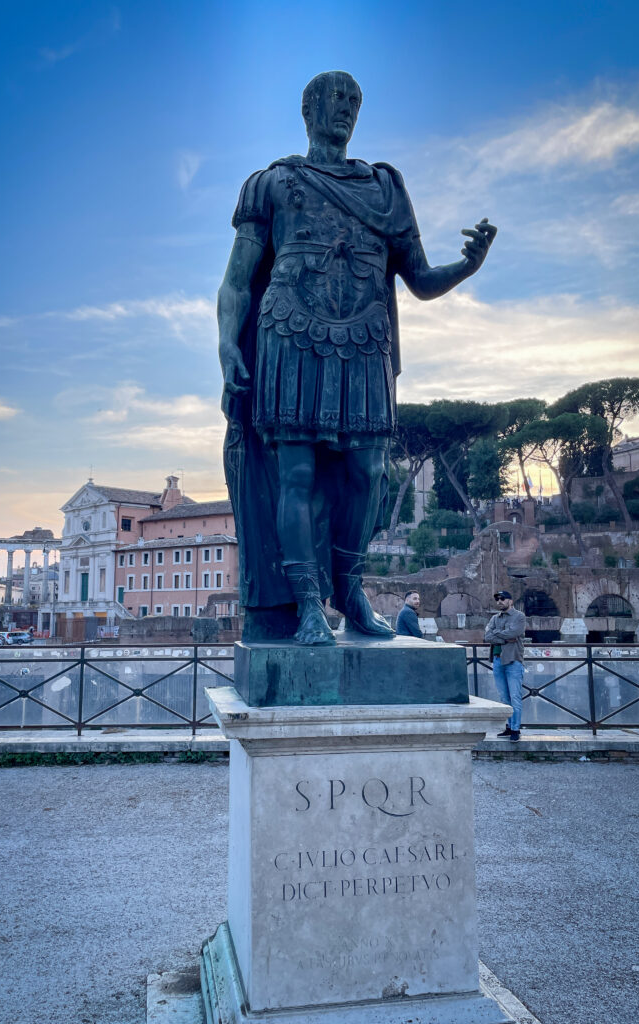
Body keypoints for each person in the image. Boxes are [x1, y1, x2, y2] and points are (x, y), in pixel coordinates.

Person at [219, 71, 496, 646]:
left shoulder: (385, 188)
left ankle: (348, 591)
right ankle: (306, 605)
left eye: (354, 101)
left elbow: (419, 278)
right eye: (334, 100)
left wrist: (466, 266)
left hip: (366, 340)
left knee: (368, 473)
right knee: (295, 473)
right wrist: (227, 343)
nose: (344, 109)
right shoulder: (272, 183)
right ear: (308, 110)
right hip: (290, 334)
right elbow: (237, 280)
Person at [484, 591, 526, 741]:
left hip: (513, 660)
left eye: (503, 599)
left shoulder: (519, 617)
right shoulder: (495, 618)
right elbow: (487, 636)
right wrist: (505, 637)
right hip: (497, 661)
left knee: (515, 696)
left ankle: (516, 729)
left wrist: (498, 635)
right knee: (503, 697)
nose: (499, 601)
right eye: (497, 599)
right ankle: (508, 727)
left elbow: (515, 632)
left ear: (511, 601)